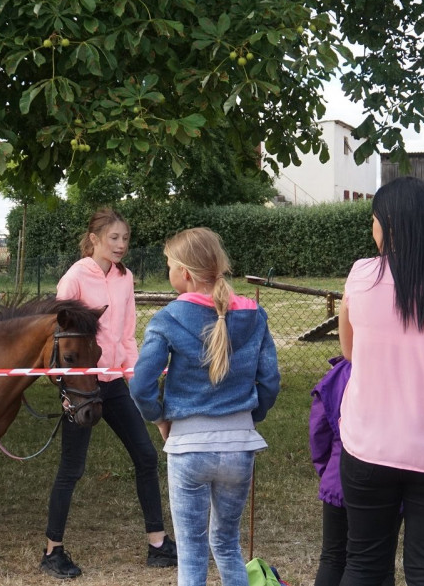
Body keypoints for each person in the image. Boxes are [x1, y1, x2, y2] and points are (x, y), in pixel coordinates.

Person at [337, 177, 424, 586]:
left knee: (363, 563)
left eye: (374, 221)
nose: (372, 229)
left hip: (368, 444)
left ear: (390, 225)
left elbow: (349, 352)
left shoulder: (361, 275)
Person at [130, 227, 281, 586]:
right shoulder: (254, 314)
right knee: (227, 545)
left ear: (183, 272)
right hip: (239, 449)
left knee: (192, 552)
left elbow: (140, 385)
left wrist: (159, 417)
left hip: (189, 449)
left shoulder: (167, 318)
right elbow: (270, 380)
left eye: (169, 265)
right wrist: (249, 417)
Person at [40, 208, 177, 578]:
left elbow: (128, 334)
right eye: (114, 238)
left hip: (114, 381)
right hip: (83, 385)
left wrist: (136, 380)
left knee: (146, 456)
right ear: (95, 239)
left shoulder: (125, 277)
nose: (121, 245)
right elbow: (59, 337)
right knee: (72, 468)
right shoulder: (74, 277)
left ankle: (158, 543)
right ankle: (52, 551)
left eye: (126, 239)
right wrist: (63, 388)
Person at [309, 356, 394, 586]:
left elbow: (319, 431)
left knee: (332, 558)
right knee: (382, 562)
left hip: (339, 480)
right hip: (390, 480)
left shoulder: (340, 374)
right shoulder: (401, 373)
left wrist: (327, 471)